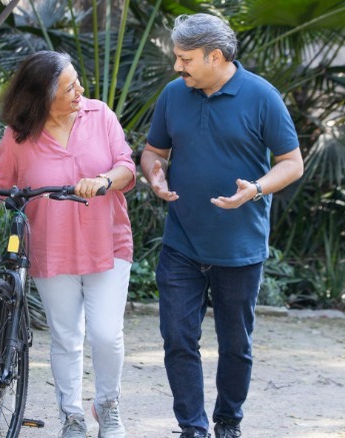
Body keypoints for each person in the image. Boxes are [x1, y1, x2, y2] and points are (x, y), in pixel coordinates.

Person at [0, 51, 136, 438]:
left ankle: (108, 406)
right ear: (43, 97)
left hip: (107, 244)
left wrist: (102, 180)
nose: (80, 90)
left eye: (77, 81)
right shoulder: (19, 135)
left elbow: (126, 167)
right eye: (69, 87)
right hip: (52, 247)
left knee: (106, 334)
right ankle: (72, 416)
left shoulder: (100, 116)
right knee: (66, 336)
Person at [139, 13, 304, 438]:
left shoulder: (262, 96)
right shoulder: (174, 94)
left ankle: (228, 422)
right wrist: (154, 173)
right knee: (177, 338)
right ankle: (192, 429)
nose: (178, 67)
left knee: (235, 345)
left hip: (239, 249)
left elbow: (292, 163)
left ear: (215, 56)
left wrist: (256, 189)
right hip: (181, 243)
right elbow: (154, 151)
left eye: (185, 58)